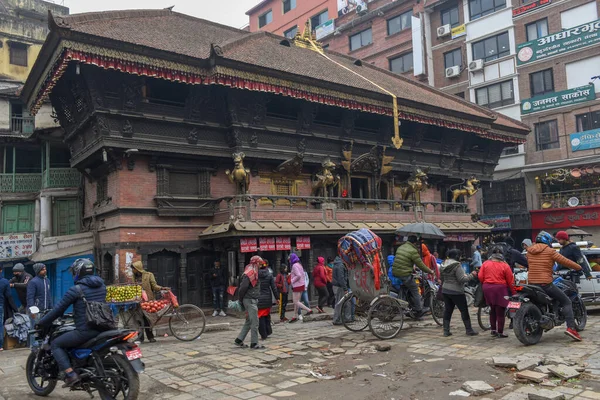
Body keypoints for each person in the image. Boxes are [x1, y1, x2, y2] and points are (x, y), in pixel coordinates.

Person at [36, 259, 106, 386]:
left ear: (78, 272)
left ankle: (71, 374)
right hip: (104, 327)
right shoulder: (102, 286)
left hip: (86, 330)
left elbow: (58, 310)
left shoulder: (76, 290)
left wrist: (41, 322)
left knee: (56, 344)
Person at [526, 231, 583, 341]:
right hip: (545, 283)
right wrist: (578, 267)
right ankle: (571, 329)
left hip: (532, 283)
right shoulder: (550, 251)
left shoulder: (529, 251)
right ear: (547, 241)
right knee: (566, 301)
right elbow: (565, 261)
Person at [391, 235, 434, 318]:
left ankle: (408, 306)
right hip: (405, 274)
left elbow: (404, 261)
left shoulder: (401, 247)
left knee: (407, 287)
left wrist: (413, 267)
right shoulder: (413, 251)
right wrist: (430, 271)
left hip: (396, 272)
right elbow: (421, 265)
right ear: (414, 243)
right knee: (415, 290)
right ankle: (418, 310)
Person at [440, 249, 479, 337]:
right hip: (456, 291)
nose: (461, 257)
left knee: (448, 310)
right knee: (464, 310)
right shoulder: (457, 265)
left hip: (445, 290)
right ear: (457, 256)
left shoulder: (443, 264)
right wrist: (472, 275)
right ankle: (469, 330)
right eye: (460, 256)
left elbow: (441, 278)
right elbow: (462, 279)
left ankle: (446, 331)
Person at [478, 248, 515, 338]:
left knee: (492, 309)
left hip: (487, 288)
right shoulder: (505, 265)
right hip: (500, 289)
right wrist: (514, 292)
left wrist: (486, 283)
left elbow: (480, 276)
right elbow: (510, 281)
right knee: (500, 311)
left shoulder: (485, 263)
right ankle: (500, 332)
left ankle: (493, 330)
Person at [131, 261, 168, 343]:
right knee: (139, 319)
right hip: (138, 300)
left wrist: (161, 288)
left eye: (133, 269)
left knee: (148, 319)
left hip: (148, 300)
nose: (132, 270)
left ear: (137, 269)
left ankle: (150, 337)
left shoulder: (149, 275)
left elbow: (154, 286)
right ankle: (140, 337)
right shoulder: (133, 277)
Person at [234, 255, 264, 349]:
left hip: (252, 299)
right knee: (255, 322)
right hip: (249, 300)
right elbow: (242, 288)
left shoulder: (254, 273)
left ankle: (239, 340)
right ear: (255, 263)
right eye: (259, 263)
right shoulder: (249, 273)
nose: (260, 266)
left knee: (248, 321)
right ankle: (254, 343)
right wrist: (240, 300)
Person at [257, 260, 278, 340]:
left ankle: (263, 334)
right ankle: (268, 331)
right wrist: (277, 298)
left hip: (259, 298)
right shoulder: (269, 275)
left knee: (260, 317)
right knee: (267, 315)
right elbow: (274, 288)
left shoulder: (255, 276)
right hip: (268, 298)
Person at [289, 253, 312, 323]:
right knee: (297, 302)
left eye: (290, 258)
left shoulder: (294, 266)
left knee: (295, 301)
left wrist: (292, 280)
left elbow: (298, 275)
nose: (289, 260)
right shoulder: (299, 265)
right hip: (302, 284)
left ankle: (308, 310)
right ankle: (294, 316)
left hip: (297, 285)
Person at [0, 265, 17, 351]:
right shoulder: (4, 282)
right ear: (1, 270)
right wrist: (15, 309)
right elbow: (9, 296)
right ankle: (0, 346)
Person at [332, 256, 350, 326]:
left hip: (337, 285)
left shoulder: (337, 264)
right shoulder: (340, 266)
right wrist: (345, 288)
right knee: (339, 303)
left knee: (342, 302)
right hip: (340, 286)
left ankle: (344, 318)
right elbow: (341, 278)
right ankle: (336, 319)